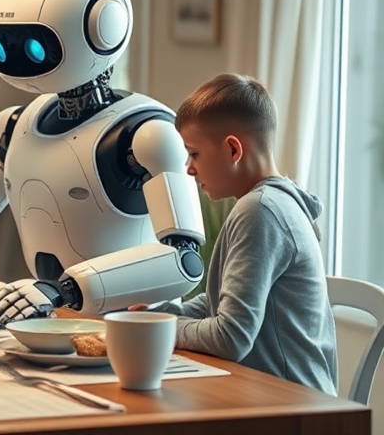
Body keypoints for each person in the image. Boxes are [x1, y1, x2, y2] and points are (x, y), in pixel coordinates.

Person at [134, 73, 338, 394]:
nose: (189, 168)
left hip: (291, 407)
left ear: (232, 149)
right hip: (276, 396)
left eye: (194, 153)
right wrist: (167, 313)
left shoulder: (261, 211)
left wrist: (166, 327)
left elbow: (231, 337)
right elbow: (226, 301)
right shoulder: (276, 203)